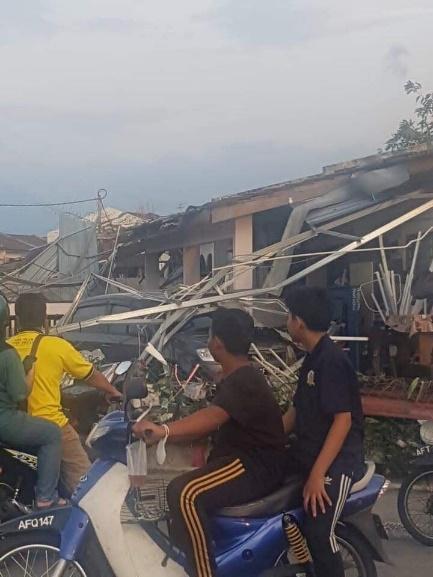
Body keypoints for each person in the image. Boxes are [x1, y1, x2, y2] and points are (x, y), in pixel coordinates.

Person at [133, 308, 286, 577]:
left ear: (217, 342)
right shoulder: (235, 376)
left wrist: (162, 430)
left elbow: (212, 417)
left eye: (211, 333)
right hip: (244, 460)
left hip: (253, 465)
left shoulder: (243, 379)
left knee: (184, 493)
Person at [282, 286, 364, 577]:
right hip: (308, 452)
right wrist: (266, 439)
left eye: (288, 316)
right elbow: (295, 412)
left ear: (299, 322)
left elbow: (343, 421)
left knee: (318, 531)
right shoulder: (312, 359)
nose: (286, 322)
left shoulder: (332, 361)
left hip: (338, 462)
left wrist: (318, 475)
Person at [8, 292, 122, 495]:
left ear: (17, 319)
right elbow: (90, 375)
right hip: (50, 423)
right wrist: (113, 391)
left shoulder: (6, 349)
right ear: (44, 319)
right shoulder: (57, 346)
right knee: (88, 485)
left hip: (11, 426)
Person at [0, 293, 64, 508]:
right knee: (52, 433)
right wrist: (29, 373)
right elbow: (19, 394)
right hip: (5, 420)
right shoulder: (7, 354)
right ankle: (46, 498)